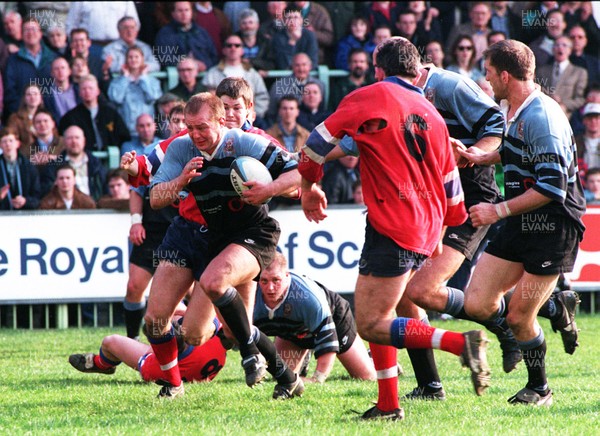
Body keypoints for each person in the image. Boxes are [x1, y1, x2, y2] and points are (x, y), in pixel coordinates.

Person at [299, 37, 490, 421]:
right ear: (418, 71)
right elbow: (452, 184)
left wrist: (308, 186)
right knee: (389, 308)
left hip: (393, 224)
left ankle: (458, 343)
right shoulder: (432, 114)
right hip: (424, 225)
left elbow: (315, 144)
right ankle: (388, 404)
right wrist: (442, 230)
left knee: (370, 322)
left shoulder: (369, 96)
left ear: (379, 70)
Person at [147, 92, 301, 399]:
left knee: (216, 286)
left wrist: (269, 189)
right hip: (199, 234)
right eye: (189, 127)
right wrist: (180, 181)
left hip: (252, 232)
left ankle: (249, 353)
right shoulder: (181, 147)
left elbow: (299, 173)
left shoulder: (245, 143)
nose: (194, 135)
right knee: (154, 322)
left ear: (223, 120)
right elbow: (154, 199)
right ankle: (176, 385)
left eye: (201, 127)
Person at [458, 39, 585, 406]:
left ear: (504, 74)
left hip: (553, 225)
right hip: (521, 218)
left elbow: (551, 187)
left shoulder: (542, 117)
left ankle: (539, 388)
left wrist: (496, 211)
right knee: (478, 302)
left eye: (487, 73)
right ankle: (554, 306)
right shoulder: (514, 107)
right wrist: (479, 157)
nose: (485, 80)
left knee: (517, 317)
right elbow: (515, 150)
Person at [254, 252, 375, 383]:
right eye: (264, 281)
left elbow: (329, 339)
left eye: (276, 280)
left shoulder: (308, 297)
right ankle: (305, 353)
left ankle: (373, 359)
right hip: (294, 332)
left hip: (334, 319)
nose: (270, 288)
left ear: (287, 276)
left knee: (367, 377)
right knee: (282, 376)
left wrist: (317, 378)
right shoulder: (251, 295)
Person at [68, 311, 228, 386]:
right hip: (205, 364)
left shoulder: (155, 369)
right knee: (173, 313)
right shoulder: (213, 339)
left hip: (166, 367)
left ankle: (100, 364)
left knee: (110, 342)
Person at [202, 34, 270, 121]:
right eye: (229, 45)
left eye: (237, 45)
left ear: (242, 50)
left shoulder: (252, 74)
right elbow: (206, 100)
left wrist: (252, 115)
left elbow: (262, 97)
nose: (233, 48)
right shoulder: (212, 74)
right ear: (224, 50)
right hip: (219, 121)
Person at [59, 74, 131, 153]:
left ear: (98, 91)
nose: (87, 91)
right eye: (84, 89)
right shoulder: (70, 117)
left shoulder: (110, 113)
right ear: (79, 92)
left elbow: (124, 137)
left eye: (90, 88)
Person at [3, 17, 56, 114]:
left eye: (34, 29)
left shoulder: (53, 58)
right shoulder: (13, 61)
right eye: (27, 30)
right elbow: (10, 91)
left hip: (51, 115)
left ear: (40, 34)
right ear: (22, 35)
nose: (30, 33)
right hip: (23, 115)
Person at [107, 46, 163, 137]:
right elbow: (116, 99)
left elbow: (154, 97)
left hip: (147, 130)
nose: (133, 60)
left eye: (136, 57)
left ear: (142, 59)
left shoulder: (151, 80)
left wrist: (144, 78)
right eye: (130, 57)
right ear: (126, 60)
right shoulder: (117, 81)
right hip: (126, 128)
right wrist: (125, 79)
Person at [41, 125, 107, 201]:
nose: (74, 141)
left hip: (93, 208)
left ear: (84, 141)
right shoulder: (54, 165)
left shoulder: (96, 164)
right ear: (64, 142)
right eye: (70, 138)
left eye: (77, 137)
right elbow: (46, 190)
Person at [154, 1, 218, 70]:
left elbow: (214, 57)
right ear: (173, 13)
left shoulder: (202, 32)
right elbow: (164, 59)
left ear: (192, 12)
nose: (184, 14)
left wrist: (205, 65)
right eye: (180, 10)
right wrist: (187, 64)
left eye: (187, 10)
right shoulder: (164, 34)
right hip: (178, 77)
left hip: (204, 75)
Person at [536, 36, 588, 118]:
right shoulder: (542, 71)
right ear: (553, 50)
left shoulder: (579, 72)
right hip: (544, 114)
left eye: (564, 45)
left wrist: (563, 103)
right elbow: (536, 91)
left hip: (567, 116)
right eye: (557, 45)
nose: (560, 48)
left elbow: (580, 99)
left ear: (570, 50)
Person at [0, 127, 41, 211]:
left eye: (11, 141)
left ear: (18, 143)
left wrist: (25, 201)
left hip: (25, 216)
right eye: (4, 141)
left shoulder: (29, 167)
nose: (8, 144)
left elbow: (37, 197)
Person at [43, 57, 81, 124]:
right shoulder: (46, 95)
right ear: (52, 73)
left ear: (69, 71)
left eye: (63, 68)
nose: (60, 71)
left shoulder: (79, 91)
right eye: (56, 69)